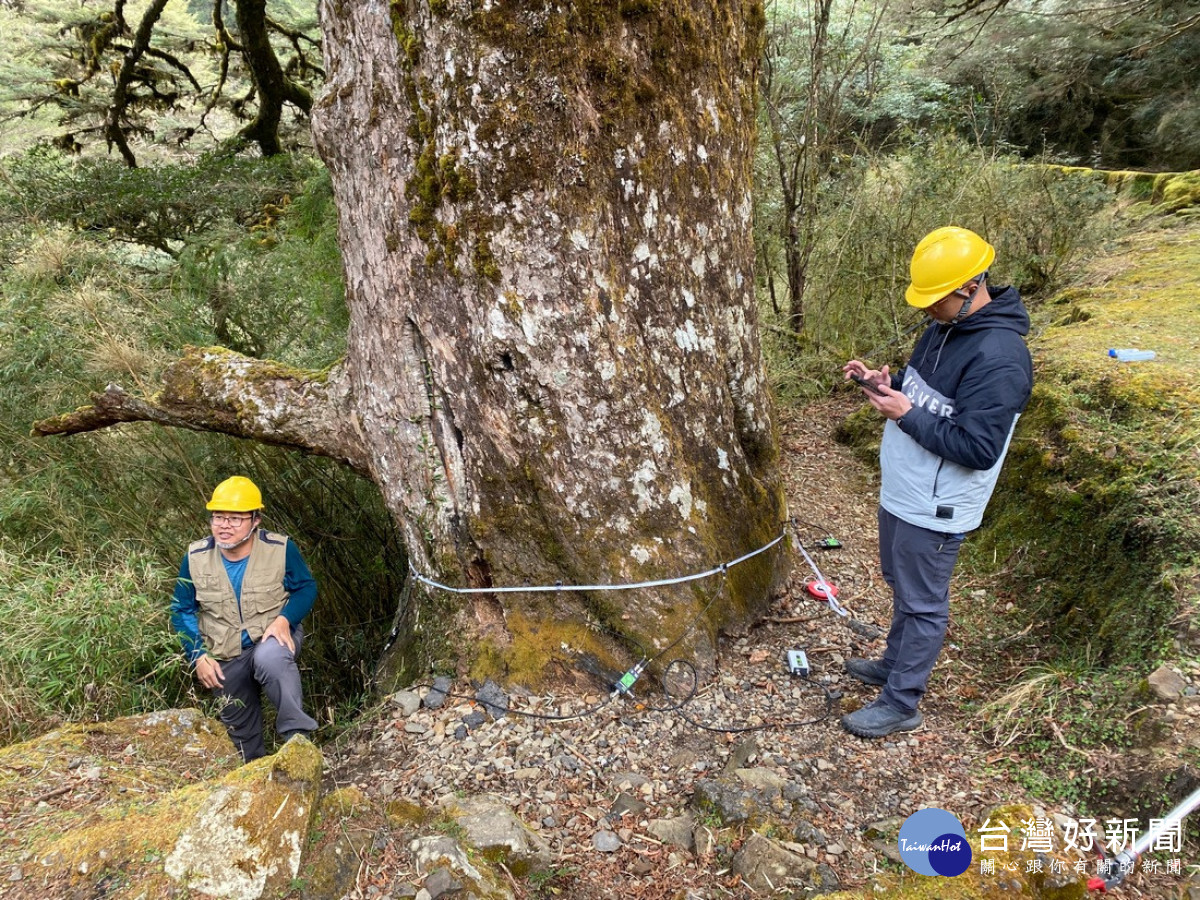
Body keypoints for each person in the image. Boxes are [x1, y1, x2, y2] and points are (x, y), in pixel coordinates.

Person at [840, 226, 1033, 739]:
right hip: (906, 490)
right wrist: (887, 386)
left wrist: (904, 415)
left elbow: (978, 448)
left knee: (923, 601)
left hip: (939, 505)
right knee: (902, 585)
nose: (927, 309)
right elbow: (923, 396)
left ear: (971, 287)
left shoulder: (1000, 358)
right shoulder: (943, 329)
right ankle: (892, 664)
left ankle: (902, 701)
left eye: (935, 299)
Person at [170, 475, 319, 762]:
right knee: (239, 731)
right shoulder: (195, 557)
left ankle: (298, 740)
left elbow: (305, 587)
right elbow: (182, 609)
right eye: (218, 517)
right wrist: (198, 656)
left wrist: (285, 619)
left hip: (271, 636)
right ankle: (253, 770)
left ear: (255, 520)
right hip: (224, 651)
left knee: (271, 658)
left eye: (235, 518)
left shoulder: (280, 549)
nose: (224, 525)